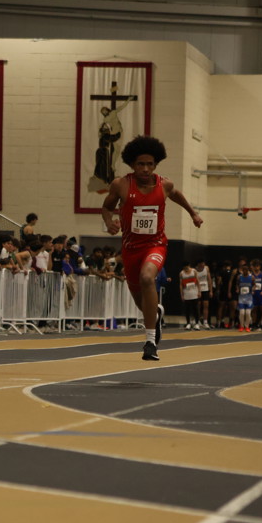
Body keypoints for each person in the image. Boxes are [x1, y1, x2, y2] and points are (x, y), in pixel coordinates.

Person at [101, 135, 202, 361]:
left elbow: (176, 195)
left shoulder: (164, 185)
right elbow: (106, 207)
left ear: (156, 164)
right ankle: (155, 313)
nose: (145, 169)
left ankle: (150, 342)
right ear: (132, 164)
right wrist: (109, 222)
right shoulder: (121, 185)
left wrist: (193, 213)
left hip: (155, 245)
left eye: (149, 164)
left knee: (147, 278)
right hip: (130, 249)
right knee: (141, 302)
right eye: (140, 164)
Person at [179, 261, 199, 330]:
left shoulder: (194, 271)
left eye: (187, 267)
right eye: (184, 268)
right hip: (186, 293)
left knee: (195, 309)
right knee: (187, 309)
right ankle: (188, 323)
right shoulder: (181, 273)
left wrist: (199, 291)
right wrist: (182, 294)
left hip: (194, 292)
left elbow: (198, 281)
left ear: (189, 265)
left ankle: (197, 323)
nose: (186, 269)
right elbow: (180, 285)